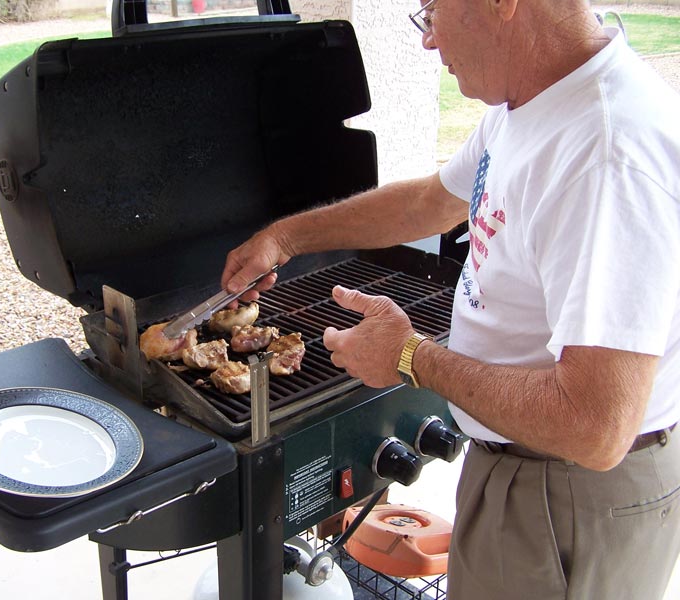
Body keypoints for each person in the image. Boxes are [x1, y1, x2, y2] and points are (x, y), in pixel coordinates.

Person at [220, 1, 680, 598]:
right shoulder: (533, 102)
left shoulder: (604, 155)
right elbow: (429, 203)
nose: (426, 40)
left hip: (566, 496)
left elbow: (595, 425)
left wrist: (411, 357)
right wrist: (285, 237)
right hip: (522, 470)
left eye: (433, 8)